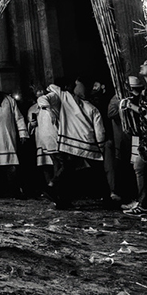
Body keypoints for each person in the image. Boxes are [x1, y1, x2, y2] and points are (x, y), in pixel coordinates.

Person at [48, 79, 107, 209]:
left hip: (69, 143)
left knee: (67, 172)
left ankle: (61, 198)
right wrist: (101, 145)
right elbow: (100, 131)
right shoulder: (92, 108)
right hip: (88, 144)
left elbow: (51, 87)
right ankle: (106, 198)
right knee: (99, 172)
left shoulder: (66, 99)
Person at [121, 63, 147, 213]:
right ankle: (145, 203)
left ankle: (144, 203)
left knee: (140, 166)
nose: (142, 65)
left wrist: (130, 106)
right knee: (140, 166)